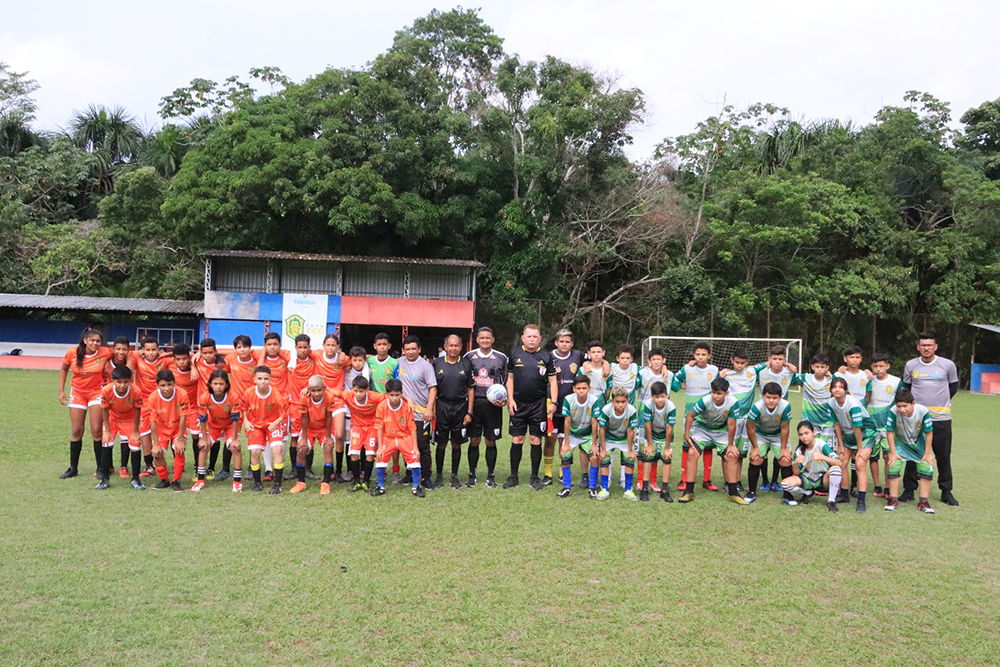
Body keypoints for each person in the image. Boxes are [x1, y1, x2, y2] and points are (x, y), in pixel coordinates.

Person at [902, 332, 959, 506]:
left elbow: (953, 387)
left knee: (943, 455)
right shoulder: (911, 365)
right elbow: (907, 388)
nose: (926, 348)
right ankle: (909, 489)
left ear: (936, 347)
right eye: (923, 345)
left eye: (930, 345)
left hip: (941, 418)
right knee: (913, 454)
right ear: (918, 347)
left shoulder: (947, 365)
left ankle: (946, 491)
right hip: (916, 419)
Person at [505, 324, 558, 490]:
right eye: (529, 336)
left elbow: (552, 381)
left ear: (540, 339)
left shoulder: (546, 356)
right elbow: (510, 379)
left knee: (535, 440)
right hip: (518, 404)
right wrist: (510, 399)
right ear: (523, 338)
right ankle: (513, 476)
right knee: (517, 439)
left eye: (535, 337)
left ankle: (534, 477)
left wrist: (554, 402)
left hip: (538, 405)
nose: (532, 340)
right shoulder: (514, 354)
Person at [680, 377, 748, 504]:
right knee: (692, 453)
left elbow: (732, 424)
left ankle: (733, 493)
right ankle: (688, 492)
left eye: (719, 393)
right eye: (713, 392)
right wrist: (687, 435)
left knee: (731, 456)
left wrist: (731, 444)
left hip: (721, 432)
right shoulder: (705, 401)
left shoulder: (733, 403)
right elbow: (690, 415)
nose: (715, 396)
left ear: (726, 393)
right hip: (703, 430)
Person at [58, 328, 114, 479]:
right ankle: (73, 468)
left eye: (98, 341)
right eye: (92, 340)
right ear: (85, 340)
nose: (95, 343)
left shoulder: (105, 352)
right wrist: (61, 391)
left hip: (97, 393)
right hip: (78, 393)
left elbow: (124, 353)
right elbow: (64, 369)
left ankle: (101, 468)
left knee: (96, 430)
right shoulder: (72, 352)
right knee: (76, 431)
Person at [671, 341, 719, 493]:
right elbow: (674, 382)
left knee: (707, 447)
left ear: (709, 356)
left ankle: (707, 480)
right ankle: (684, 480)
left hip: (708, 414)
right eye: (698, 354)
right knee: (687, 446)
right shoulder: (687, 368)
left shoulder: (714, 370)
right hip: (690, 414)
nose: (700, 357)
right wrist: (680, 386)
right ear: (694, 355)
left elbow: (719, 388)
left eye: (703, 354)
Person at [463, 327, 508, 487]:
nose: (485, 340)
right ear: (477, 340)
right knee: (474, 439)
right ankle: (472, 474)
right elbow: (465, 382)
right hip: (474, 405)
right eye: (482, 338)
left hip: (493, 406)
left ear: (493, 339)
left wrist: (505, 399)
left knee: (490, 440)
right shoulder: (468, 357)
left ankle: (490, 475)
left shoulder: (501, 358)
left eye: (488, 338)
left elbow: (505, 382)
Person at [829, 376, 877, 513]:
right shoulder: (831, 403)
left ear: (846, 390)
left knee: (860, 464)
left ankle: (861, 500)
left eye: (840, 387)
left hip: (866, 434)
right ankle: (844, 496)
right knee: (841, 462)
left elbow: (857, 428)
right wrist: (840, 444)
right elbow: (836, 424)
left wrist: (860, 449)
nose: (837, 389)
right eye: (834, 387)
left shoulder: (853, 404)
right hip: (848, 436)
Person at [370, 378, 425, 497]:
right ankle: (380, 486)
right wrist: (379, 447)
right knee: (380, 458)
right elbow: (379, 427)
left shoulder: (406, 407)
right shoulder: (381, 406)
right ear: (386, 394)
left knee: (415, 459)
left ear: (401, 394)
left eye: (397, 395)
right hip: (388, 437)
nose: (394, 398)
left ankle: (416, 487)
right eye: (391, 395)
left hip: (404, 437)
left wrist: (415, 447)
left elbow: (412, 428)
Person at [432, 334, 474, 489]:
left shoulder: (466, 364)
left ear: (461, 347)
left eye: (456, 346)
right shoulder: (437, 363)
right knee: (441, 443)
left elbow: (471, 389)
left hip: (460, 408)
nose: (453, 348)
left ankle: (454, 476)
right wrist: (433, 409)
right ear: (445, 347)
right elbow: (433, 388)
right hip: (442, 406)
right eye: (450, 345)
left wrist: (469, 412)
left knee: (457, 444)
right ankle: (439, 476)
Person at [884, 390, 936, 514]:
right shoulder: (893, 411)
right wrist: (892, 452)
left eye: (905, 406)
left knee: (928, 467)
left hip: (918, 444)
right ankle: (893, 499)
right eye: (899, 406)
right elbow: (889, 431)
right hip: (900, 444)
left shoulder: (922, 411)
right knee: (893, 464)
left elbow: (929, 432)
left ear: (913, 404)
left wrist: (927, 453)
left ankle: (923, 501)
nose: (902, 409)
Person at [397, 335, 438, 488]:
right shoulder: (399, 363)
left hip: (422, 413)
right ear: (403, 351)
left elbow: (433, 388)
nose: (411, 352)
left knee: (422, 445)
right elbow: (377, 358)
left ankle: (426, 476)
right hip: (403, 413)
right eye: (407, 349)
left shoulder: (425, 366)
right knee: (406, 444)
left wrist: (429, 409)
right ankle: (409, 474)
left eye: (414, 349)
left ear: (419, 350)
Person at [241, 365, 289, 494]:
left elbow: (285, 412)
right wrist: (245, 421)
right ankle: (257, 483)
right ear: (255, 379)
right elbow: (243, 408)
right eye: (260, 378)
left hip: (272, 424)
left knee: (278, 449)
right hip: (255, 425)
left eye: (266, 378)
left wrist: (276, 422)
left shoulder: (275, 394)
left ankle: (277, 484)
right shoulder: (249, 393)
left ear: (270, 380)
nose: (263, 381)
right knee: (255, 452)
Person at [547, 329, 586, 486]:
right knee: (550, 439)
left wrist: (604, 365)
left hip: (569, 406)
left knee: (565, 440)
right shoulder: (548, 357)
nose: (564, 344)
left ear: (572, 344)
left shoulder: (578, 355)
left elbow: (597, 359)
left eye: (567, 342)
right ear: (556, 343)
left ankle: (563, 473)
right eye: (561, 341)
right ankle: (548, 473)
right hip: (551, 404)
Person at [129, 336, 171, 479]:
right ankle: (149, 465)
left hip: (162, 402)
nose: (151, 353)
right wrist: (136, 353)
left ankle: (166, 460)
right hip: (143, 403)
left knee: (165, 431)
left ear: (158, 350)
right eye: (148, 350)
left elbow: (183, 355)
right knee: (145, 433)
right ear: (143, 351)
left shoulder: (164, 360)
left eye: (154, 350)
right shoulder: (138, 359)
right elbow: (124, 353)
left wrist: (168, 353)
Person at [746, 382, 794, 504]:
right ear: (763, 396)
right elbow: (750, 427)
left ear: (780, 397)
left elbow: (785, 428)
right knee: (756, 458)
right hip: (761, 435)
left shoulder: (785, 406)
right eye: (768, 397)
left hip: (777, 436)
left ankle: (787, 495)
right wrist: (755, 447)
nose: (771, 401)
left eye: (775, 398)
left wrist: (783, 448)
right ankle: (751, 491)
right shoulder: (757, 407)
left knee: (786, 459)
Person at [313, 334, 352, 482]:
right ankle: (317, 468)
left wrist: (343, 354)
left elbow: (362, 356)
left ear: (337, 347)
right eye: (328, 345)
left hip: (338, 401)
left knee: (340, 436)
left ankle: (338, 470)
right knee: (321, 435)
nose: (330, 348)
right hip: (321, 402)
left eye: (333, 345)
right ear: (323, 346)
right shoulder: (316, 355)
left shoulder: (342, 358)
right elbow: (297, 351)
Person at [780, 421, 842, 512]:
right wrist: (796, 463)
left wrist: (822, 457)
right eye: (801, 434)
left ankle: (831, 501)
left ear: (813, 433)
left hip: (822, 479)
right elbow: (796, 473)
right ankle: (808, 492)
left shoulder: (821, 444)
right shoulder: (799, 450)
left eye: (806, 433)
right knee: (785, 484)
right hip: (807, 479)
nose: (804, 437)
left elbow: (839, 462)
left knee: (836, 469)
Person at [197, 369, 243, 492]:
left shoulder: (233, 397)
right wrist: (204, 436)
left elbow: (235, 419)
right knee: (203, 446)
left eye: (221, 384)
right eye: (215, 383)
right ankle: (200, 480)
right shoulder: (205, 397)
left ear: (226, 384)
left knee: (235, 448)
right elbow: (202, 418)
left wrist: (234, 439)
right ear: (210, 384)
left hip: (229, 426)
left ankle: (237, 481)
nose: (218, 387)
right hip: (213, 425)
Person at [289, 375, 334, 494]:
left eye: (319, 390)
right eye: (313, 390)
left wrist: (329, 437)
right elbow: (304, 418)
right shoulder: (304, 398)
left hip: (324, 429)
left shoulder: (329, 397)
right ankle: (301, 482)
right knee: (301, 450)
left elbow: (329, 417)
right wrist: (303, 438)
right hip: (309, 429)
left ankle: (325, 483)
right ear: (309, 390)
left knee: (328, 448)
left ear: (324, 389)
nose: (316, 393)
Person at [222, 335, 259, 480]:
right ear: (235, 348)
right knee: (231, 435)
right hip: (235, 404)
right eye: (239, 347)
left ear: (250, 348)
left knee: (252, 435)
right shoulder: (230, 359)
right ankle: (225, 469)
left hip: (252, 405)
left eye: (245, 346)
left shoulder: (256, 360)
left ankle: (251, 467)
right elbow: (221, 371)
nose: (242, 349)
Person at [146, 369, 190, 492]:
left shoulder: (182, 394)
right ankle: (164, 480)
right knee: (157, 454)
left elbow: (183, 417)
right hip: (161, 430)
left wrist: (180, 438)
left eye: (169, 384)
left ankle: (176, 481)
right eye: (163, 385)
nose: (166, 388)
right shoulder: (153, 397)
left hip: (177, 429)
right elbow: (153, 421)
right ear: (157, 386)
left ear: (174, 383)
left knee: (179, 450)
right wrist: (156, 444)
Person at [720, 348, 757, 493]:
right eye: (737, 362)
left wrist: (788, 365)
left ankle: (736, 480)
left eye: (742, 363)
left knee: (740, 453)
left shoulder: (753, 372)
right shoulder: (726, 374)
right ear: (732, 361)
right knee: (727, 451)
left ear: (747, 363)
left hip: (746, 419)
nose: (739, 366)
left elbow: (770, 362)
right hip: (731, 418)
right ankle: (727, 481)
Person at [100, 366, 143, 490]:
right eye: (119, 382)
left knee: (135, 445)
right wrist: (107, 431)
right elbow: (104, 410)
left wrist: (135, 431)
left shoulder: (136, 391)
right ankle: (104, 480)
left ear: (130, 381)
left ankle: (136, 479)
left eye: (125, 382)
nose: (122, 385)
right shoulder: (106, 391)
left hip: (129, 420)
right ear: (113, 381)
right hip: (112, 419)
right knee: (106, 443)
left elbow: (137, 411)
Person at [340, 375, 385, 492]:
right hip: (356, 427)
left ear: (367, 390)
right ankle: (356, 481)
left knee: (370, 454)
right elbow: (331, 391)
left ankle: (366, 481)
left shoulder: (375, 397)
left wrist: (407, 399)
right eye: (356, 391)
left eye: (361, 391)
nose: (358, 394)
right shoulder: (347, 395)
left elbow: (390, 396)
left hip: (372, 427)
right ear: (351, 389)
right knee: (354, 454)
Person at [557, 375, 600, 498]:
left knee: (594, 457)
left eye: (584, 388)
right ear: (574, 389)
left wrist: (594, 443)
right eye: (579, 388)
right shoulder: (568, 399)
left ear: (589, 388)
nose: (581, 391)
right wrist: (566, 443)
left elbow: (594, 422)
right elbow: (567, 421)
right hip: (572, 434)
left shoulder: (594, 400)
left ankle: (592, 487)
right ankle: (566, 487)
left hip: (587, 434)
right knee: (565, 455)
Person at [866, 352, 900, 499]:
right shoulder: (868, 380)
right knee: (873, 457)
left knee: (888, 457)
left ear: (887, 366)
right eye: (875, 366)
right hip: (871, 426)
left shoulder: (896, 381)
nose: (878, 369)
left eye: (881, 366)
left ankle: (887, 486)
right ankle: (877, 485)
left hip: (888, 427)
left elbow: (901, 401)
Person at [287, 334, 321, 483]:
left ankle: (308, 469)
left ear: (309, 348)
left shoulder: (313, 360)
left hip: (310, 406)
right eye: (299, 347)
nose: (302, 350)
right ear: (295, 348)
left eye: (305, 347)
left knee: (309, 436)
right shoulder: (289, 360)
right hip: (294, 405)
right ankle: (295, 468)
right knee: (294, 437)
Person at [192, 338, 228, 479]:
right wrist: (194, 363)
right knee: (200, 437)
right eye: (205, 353)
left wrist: (220, 355)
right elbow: (178, 354)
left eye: (211, 353)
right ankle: (197, 467)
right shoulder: (197, 360)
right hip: (202, 405)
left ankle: (211, 468)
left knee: (216, 439)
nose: (208, 355)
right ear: (201, 352)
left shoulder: (221, 364)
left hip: (218, 406)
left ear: (215, 352)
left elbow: (231, 354)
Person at [167, 344, 203, 485]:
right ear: (174, 359)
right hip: (176, 409)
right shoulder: (169, 366)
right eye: (178, 359)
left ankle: (197, 466)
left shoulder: (196, 365)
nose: (181, 362)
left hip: (193, 409)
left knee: (196, 436)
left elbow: (202, 353)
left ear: (189, 358)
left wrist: (193, 365)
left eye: (184, 359)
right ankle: (176, 465)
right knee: (174, 434)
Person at [595, 386, 639, 501]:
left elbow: (630, 431)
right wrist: (603, 449)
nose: (620, 405)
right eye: (617, 402)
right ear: (612, 401)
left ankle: (628, 489)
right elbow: (602, 429)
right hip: (609, 438)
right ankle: (604, 488)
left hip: (624, 439)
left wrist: (630, 451)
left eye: (623, 401)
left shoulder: (632, 411)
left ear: (627, 401)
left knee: (629, 458)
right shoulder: (606, 409)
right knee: (604, 458)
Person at [258, 332, 291, 480]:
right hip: (265, 403)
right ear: (265, 346)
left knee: (282, 437)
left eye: (275, 344)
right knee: (266, 435)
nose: (272, 347)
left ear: (280, 345)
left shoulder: (285, 358)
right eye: (269, 344)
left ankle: (279, 468)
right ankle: (268, 469)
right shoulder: (260, 358)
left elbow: (296, 358)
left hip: (282, 402)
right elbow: (258, 370)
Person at [638, 381, 676, 502]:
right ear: (652, 396)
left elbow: (670, 428)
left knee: (666, 458)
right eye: (657, 397)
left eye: (663, 396)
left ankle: (665, 489)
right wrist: (649, 444)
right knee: (648, 457)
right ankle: (645, 488)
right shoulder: (648, 405)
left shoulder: (671, 406)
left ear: (667, 395)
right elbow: (647, 425)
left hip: (665, 436)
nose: (660, 400)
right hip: (651, 434)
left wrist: (667, 447)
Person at [580, 340, 610, 486]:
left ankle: (596, 475)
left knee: (599, 442)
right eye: (593, 352)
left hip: (602, 409)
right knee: (585, 443)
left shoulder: (607, 371)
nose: (596, 354)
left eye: (599, 352)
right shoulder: (583, 369)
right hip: (585, 410)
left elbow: (609, 392)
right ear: (589, 354)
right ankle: (585, 475)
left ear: (603, 353)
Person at [339, 346, 371, 483]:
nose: (357, 363)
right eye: (355, 360)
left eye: (360, 360)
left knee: (363, 442)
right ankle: (350, 470)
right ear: (350, 360)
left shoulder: (366, 370)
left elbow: (370, 356)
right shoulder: (346, 368)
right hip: (347, 411)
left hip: (362, 412)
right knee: (349, 442)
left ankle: (363, 469)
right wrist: (343, 355)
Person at [105, 335, 134, 479]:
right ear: (113, 349)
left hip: (126, 404)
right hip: (108, 403)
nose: (121, 352)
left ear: (128, 350)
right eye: (118, 349)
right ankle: (107, 465)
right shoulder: (106, 361)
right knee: (106, 435)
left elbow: (129, 373)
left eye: (124, 349)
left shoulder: (130, 363)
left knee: (125, 438)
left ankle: (124, 466)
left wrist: (129, 359)